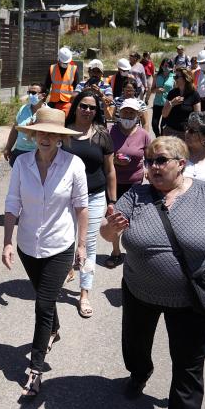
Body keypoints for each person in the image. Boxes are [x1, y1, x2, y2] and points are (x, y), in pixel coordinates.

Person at [101, 136, 205, 409]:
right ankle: (139, 372)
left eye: (160, 160)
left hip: (190, 296)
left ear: (181, 163)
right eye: (149, 161)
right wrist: (112, 228)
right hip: (139, 290)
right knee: (135, 343)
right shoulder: (136, 194)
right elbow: (108, 234)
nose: (152, 167)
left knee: (189, 362)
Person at [2, 107, 89, 397]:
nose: (46, 138)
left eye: (52, 134)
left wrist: (81, 245)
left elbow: (81, 206)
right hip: (28, 246)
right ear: (34, 134)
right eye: (41, 132)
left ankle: (35, 368)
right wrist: (7, 242)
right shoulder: (22, 163)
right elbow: (12, 203)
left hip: (59, 246)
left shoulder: (73, 164)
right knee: (45, 296)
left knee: (42, 305)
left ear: (60, 137)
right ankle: (54, 329)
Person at [64, 90, 117, 318]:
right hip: (65, 197)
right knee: (65, 238)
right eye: (83, 106)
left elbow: (110, 170)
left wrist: (111, 201)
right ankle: (67, 266)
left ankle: (84, 293)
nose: (87, 110)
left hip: (94, 197)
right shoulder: (63, 133)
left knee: (88, 245)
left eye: (92, 107)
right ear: (75, 106)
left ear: (97, 111)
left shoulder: (102, 135)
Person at [107, 97, 152, 268]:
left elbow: (149, 157)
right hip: (113, 182)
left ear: (138, 115)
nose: (127, 114)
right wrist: (114, 162)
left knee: (133, 220)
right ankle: (116, 251)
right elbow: (104, 155)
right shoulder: (110, 131)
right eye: (125, 111)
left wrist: (147, 168)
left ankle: (134, 252)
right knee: (115, 218)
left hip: (135, 184)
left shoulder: (144, 135)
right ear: (119, 112)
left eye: (131, 112)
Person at [3, 83, 43, 168]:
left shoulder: (48, 112)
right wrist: (8, 147)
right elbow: (15, 129)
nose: (30, 95)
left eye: (34, 93)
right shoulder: (23, 109)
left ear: (43, 95)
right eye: (29, 93)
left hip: (38, 153)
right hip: (20, 151)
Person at [162, 67, 202, 139]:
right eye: (174, 76)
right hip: (170, 132)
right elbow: (164, 114)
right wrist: (171, 103)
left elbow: (197, 117)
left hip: (186, 134)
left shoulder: (194, 94)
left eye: (177, 77)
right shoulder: (172, 93)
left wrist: (192, 133)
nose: (174, 79)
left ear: (185, 78)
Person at [43, 46, 79, 115]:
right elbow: (46, 86)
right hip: (54, 102)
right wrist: (43, 101)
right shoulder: (52, 68)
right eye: (63, 62)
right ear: (58, 59)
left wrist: (75, 103)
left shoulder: (74, 69)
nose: (65, 64)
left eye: (66, 63)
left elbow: (77, 88)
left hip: (68, 102)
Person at [151, 59, 175, 137]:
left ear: (171, 67)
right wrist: (156, 90)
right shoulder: (157, 76)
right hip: (157, 103)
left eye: (168, 66)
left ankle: (162, 141)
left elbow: (176, 91)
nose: (166, 67)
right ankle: (158, 137)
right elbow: (152, 90)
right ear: (161, 66)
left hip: (168, 104)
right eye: (165, 65)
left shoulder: (174, 77)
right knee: (154, 124)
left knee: (163, 126)